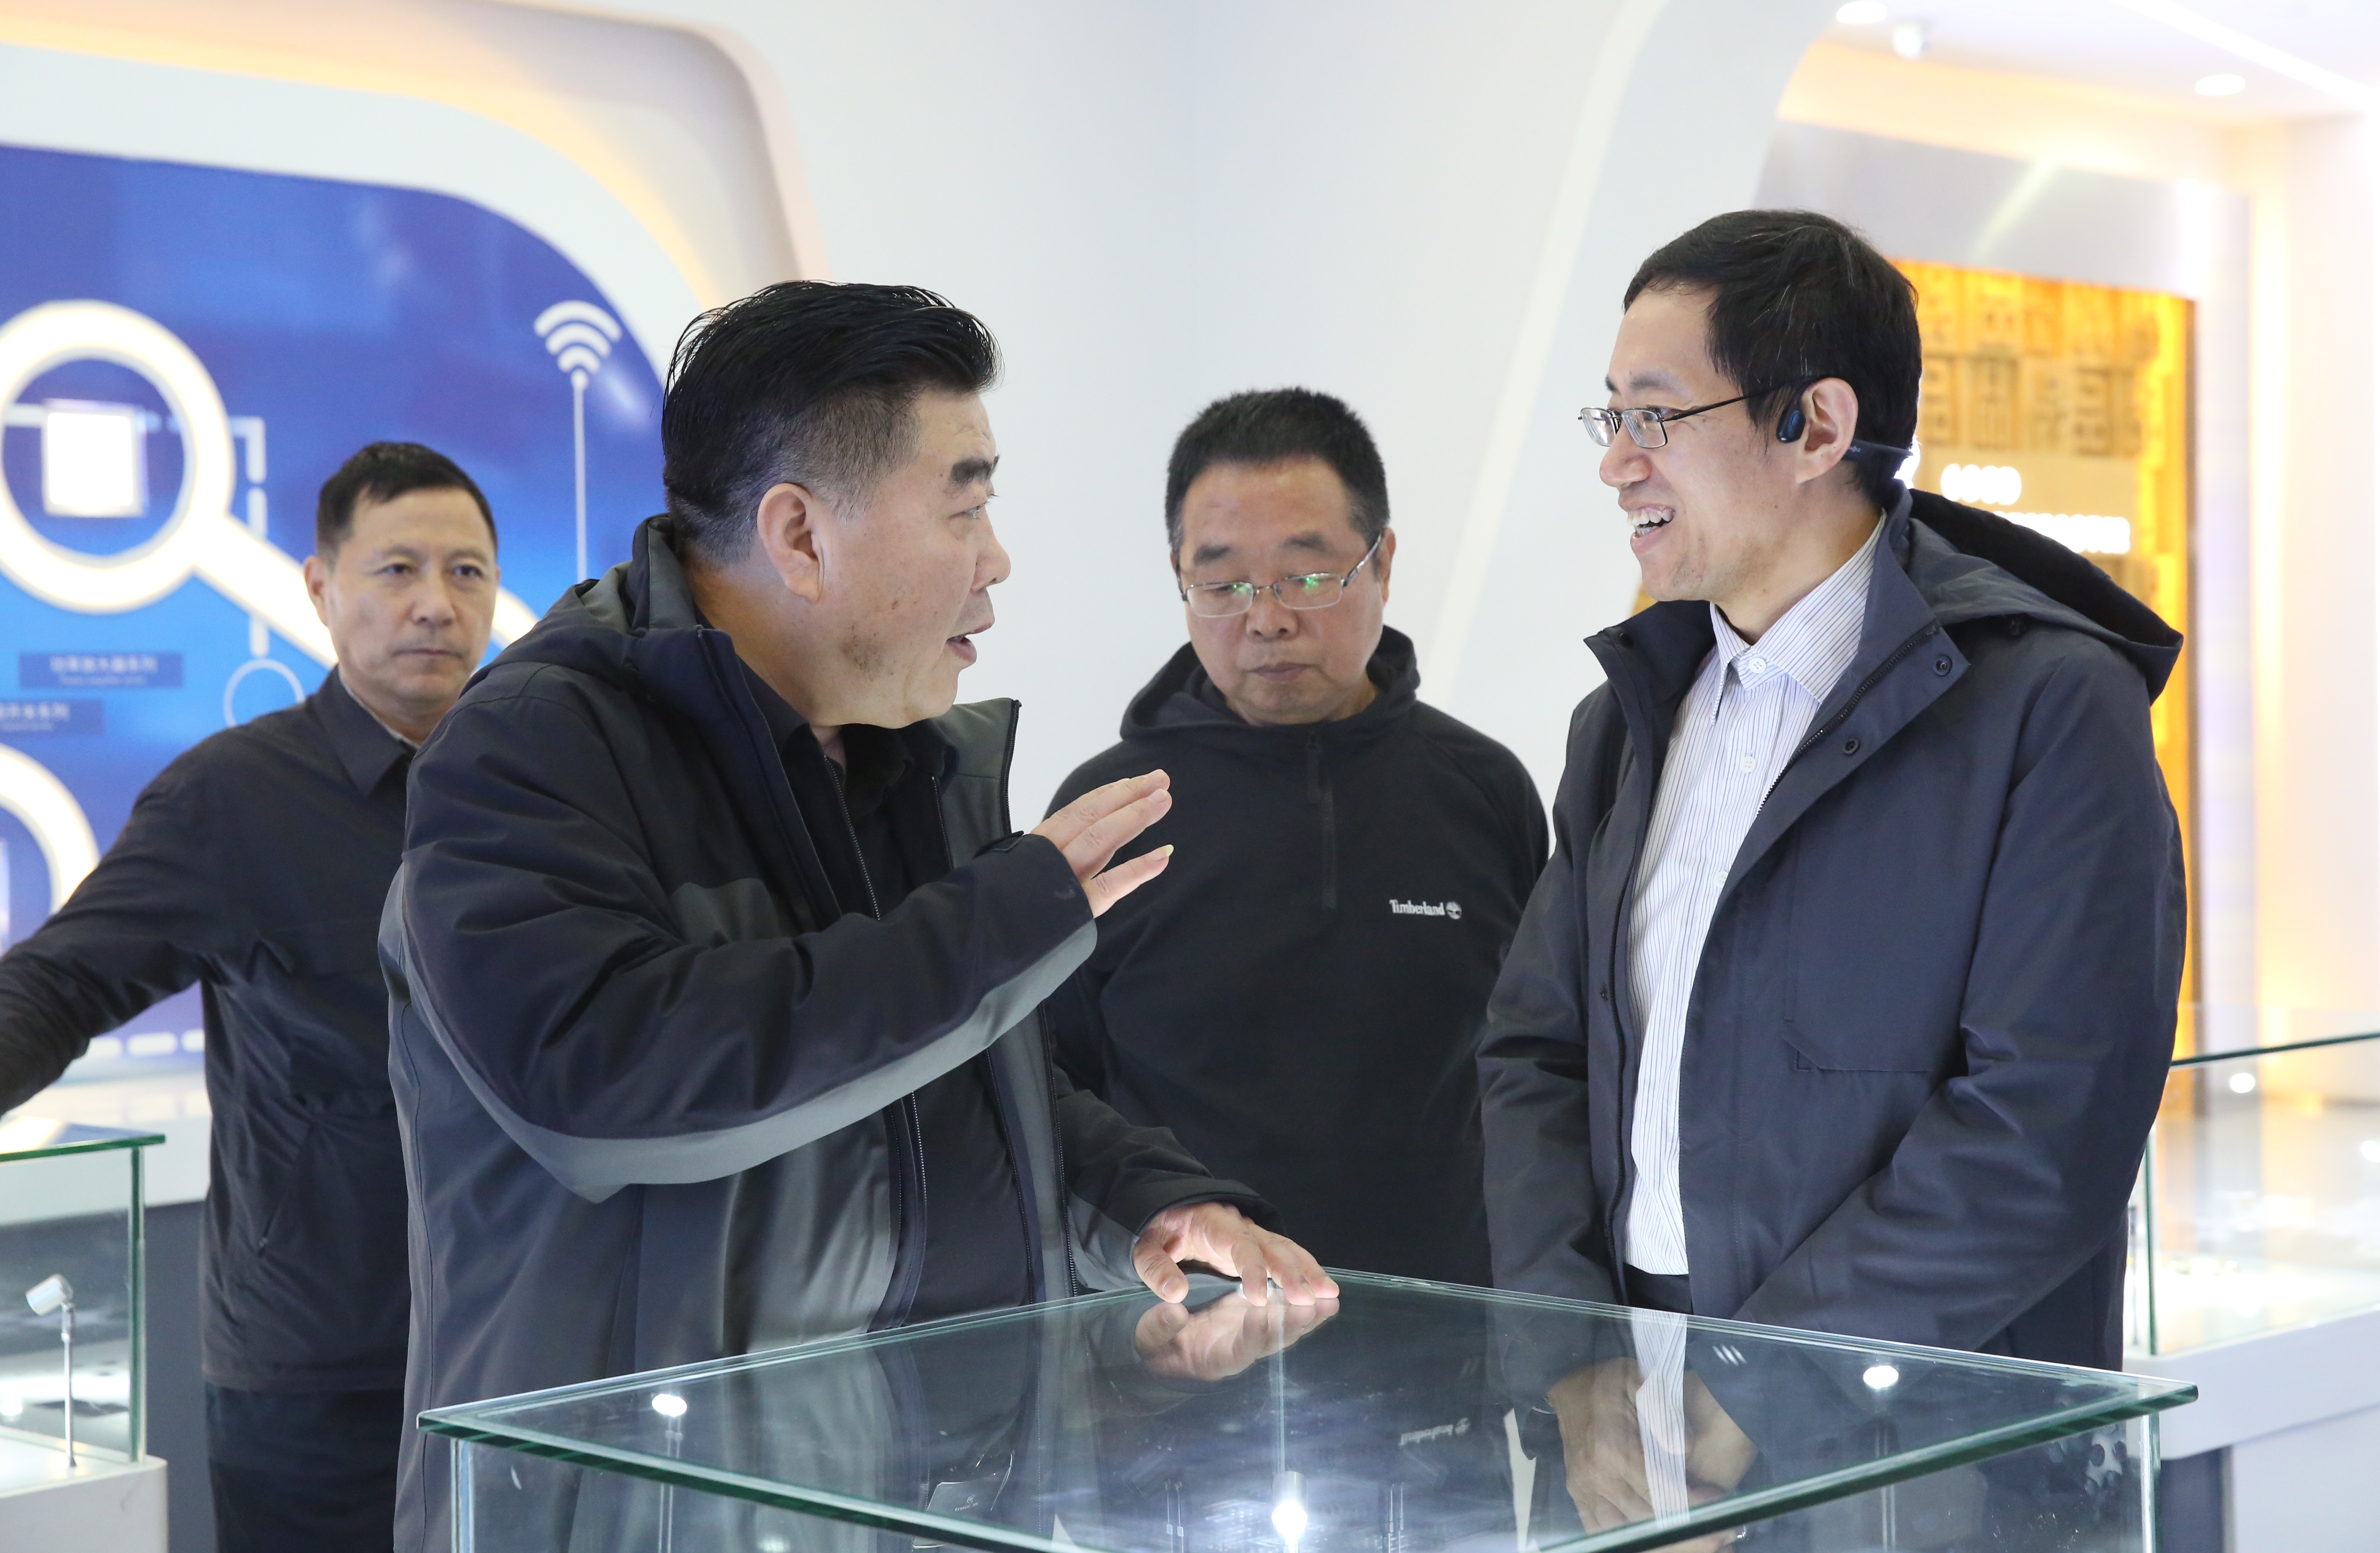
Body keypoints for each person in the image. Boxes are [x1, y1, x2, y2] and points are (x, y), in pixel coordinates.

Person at [382, 282, 1336, 1552]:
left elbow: (960, 1087)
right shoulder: (533, 748)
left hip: (910, 1503)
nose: (995, 560)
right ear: (800, 534)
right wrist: (1000, 921)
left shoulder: (905, 755)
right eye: (964, 507)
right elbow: (601, 1081)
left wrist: (1147, 1204)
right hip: (642, 1514)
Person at [1479, 208, 2183, 1371]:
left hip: (1909, 1423)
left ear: (1814, 425)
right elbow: (1537, 1055)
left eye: (1655, 415)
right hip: (1629, 1389)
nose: (1616, 462)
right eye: (1613, 417)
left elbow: (2047, 1123)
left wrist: (1760, 1392)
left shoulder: (2050, 707)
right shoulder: (1623, 724)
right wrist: (1573, 1362)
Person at [0, 443, 502, 1552]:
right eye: (398, 569)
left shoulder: (536, 791)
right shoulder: (230, 796)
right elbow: (64, 978)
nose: (435, 603)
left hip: (524, 1345)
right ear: (319, 587)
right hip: (322, 1370)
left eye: (466, 572)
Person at [1045, 388, 1545, 1285]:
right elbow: (1051, 1092)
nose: (1266, 618)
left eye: (1307, 577)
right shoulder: (1109, 812)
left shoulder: (1484, 790)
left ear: (1382, 562)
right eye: (1222, 584)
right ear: (1179, 577)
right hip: (1190, 1323)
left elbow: (1540, 1069)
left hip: (1445, 1314)